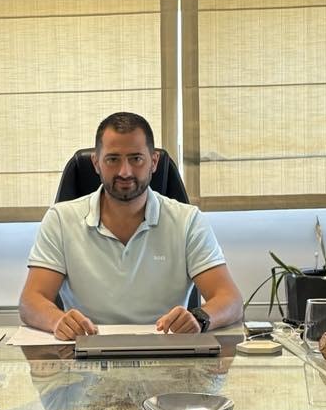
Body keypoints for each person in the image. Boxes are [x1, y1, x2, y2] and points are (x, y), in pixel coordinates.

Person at [19, 112, 242, 339]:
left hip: (167, 349)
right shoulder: (60, 220)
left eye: (136, 159)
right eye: (112, 159)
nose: (124, 172)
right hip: (86, 349)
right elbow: (31, 300)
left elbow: (230, 300)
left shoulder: (188, 221)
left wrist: (199, 318)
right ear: (96, 163)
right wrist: (58, 321)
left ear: (153, 162)